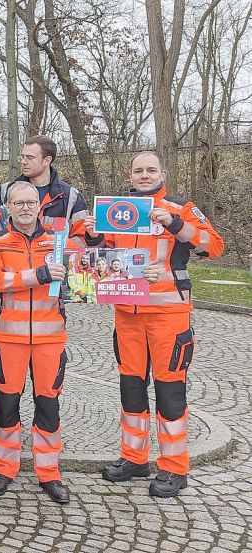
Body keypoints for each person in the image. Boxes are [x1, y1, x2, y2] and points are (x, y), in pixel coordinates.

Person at [89, 151, 224, 498]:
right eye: (138, 170)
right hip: (127, 314)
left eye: (151, 170)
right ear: (130, 175)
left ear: (163, 172)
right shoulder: (116, 210)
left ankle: (174, 469)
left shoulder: (181, 207)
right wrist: (91, 235)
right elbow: (100, 254)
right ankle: (135, 458)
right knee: (131, 390)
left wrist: (176, 224)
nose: (144, 175)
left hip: (168, 314)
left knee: (169, 393)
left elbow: (215, 245)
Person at [0, 135, 99, 444]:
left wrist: (60, 254)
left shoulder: (70, 196)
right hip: (10, 317)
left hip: (49, 318)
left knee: (48, 404)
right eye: (22, 156)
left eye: (30, 157)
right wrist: (33, 267)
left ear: (47, 160)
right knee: (6, 394)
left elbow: (82, 244)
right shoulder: (4, 191)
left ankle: (48, 472)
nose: (23, 161)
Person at [0, 181, 72, 504]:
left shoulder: (57, 243)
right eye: (18, 203)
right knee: (6, 408)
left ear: (40, 206)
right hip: (10, 340)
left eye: (30, 202)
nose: (24, 208)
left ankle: (49, 473)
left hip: (50, 340)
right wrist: (39, 274)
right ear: (8, 207)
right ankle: (4, 468)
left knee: (48, 407)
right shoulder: (0, 244)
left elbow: (79, 278)